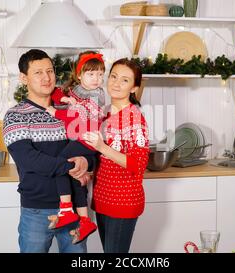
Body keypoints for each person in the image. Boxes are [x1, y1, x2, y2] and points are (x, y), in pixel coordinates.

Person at [3, 49, 96, 253]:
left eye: (50, 71)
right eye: (38, 72)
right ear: (23, 78)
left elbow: (91, 146)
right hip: (37, 210)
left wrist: (86, 162)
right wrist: (72, 166)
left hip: (75, 210)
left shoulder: (70, 113)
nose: (46, 78)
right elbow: (30, 160)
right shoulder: (15, 116)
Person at [82, 58, 149, 253]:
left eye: (125, 80)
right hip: (103, 199)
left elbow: (138, 165)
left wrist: (102, 147)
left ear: (134, 88)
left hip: (123, 202)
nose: (116, 83)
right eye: (113, 76)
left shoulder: (135, 118)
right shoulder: (104, 113)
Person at [44, 51, 105, 244]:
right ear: (79, 75)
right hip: (78, 139)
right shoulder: (78, 90)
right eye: (92, 74)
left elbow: (77, 117)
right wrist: (64, 99)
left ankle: (66, 209)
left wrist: (56, 112)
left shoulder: (96, 96)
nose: (97, 79)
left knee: (60, 165)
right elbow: (55, 91)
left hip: (86, 140)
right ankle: (85, 220)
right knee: (75, 178)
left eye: (100, 74)